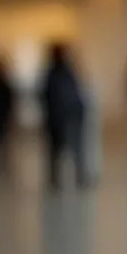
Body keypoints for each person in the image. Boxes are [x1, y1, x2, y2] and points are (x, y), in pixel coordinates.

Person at [40, 43, 89, 189]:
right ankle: (59, 179)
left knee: (66, 150)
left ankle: (63, 179)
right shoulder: (59, 74)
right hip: (63, 118)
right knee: (65, 150)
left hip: (65, 118)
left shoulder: (61, 73)